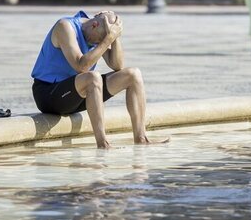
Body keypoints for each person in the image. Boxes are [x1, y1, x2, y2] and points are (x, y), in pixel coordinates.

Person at [31, 10, 168, 148]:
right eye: (101, 39)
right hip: (48, 95)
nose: (100, 43)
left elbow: (117, 65)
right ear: (94, 24)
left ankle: (141, 138)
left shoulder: (97, 33)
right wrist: (107, 38)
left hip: (76, 95)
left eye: (105, 40)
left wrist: (115, 36)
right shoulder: (65, 27)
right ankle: (102, 143)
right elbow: (81, 66)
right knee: (93, 77)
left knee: (133, 75)